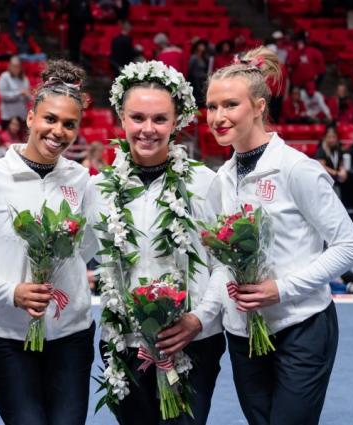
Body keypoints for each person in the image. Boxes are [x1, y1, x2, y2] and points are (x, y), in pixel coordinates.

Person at [204, 46, 353, 425]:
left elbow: (349, 245)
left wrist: (283, 288)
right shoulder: (221, 179)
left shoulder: (297, 169)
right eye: (212, 107)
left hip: (302, 326)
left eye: (230, 105)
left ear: (259, 106)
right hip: (243, 335)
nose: (217, 117)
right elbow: (221, 262)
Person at [89, 60, 227, 424]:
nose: (147, 129)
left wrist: (200, 318)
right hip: (124, 345)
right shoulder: (98, 189)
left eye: (159, 119)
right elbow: (78, 259)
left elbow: (224, 263)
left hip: (193, 340)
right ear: (121, 117)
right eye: (137, 117)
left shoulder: (204, 182)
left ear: (176, 121)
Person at [0, 59, 96, 425]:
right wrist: (11, 292)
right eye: (50, 119)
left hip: (71, 334)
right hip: (3, 336)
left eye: (70, 124)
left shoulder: (82, 180)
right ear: (31, 115)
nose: (58, 131)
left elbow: (87, 250)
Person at [0, 56, 32, 129]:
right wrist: (19, 93)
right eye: (14, 66)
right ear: (10, 66)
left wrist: (29, 95)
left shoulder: (24, 79)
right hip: (8, 115)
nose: (16, 68)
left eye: (18, 66)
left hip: (21, 115)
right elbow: (3, 95)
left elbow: (28, 98)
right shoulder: (4, 77)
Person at [188, 39, 211, 108]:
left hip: (202, 81)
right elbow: (190, 70)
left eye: (203, 45)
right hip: (195, 82)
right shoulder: (194, 57)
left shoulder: (204, 58)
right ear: (197, 46)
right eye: (201, 45)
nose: (203, 46)